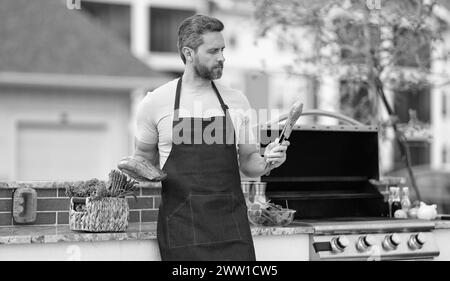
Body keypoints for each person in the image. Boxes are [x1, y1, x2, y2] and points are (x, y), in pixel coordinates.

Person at [133, 14, 289, 261]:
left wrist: (268, 161)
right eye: (213, 50)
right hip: (181, 230)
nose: (222, 57)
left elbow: (249, 161)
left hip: (232, 229)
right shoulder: (156, 103)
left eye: (223, 49)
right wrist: (139, 173)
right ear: (189, 53)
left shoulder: (237, 101)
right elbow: (140, 161)